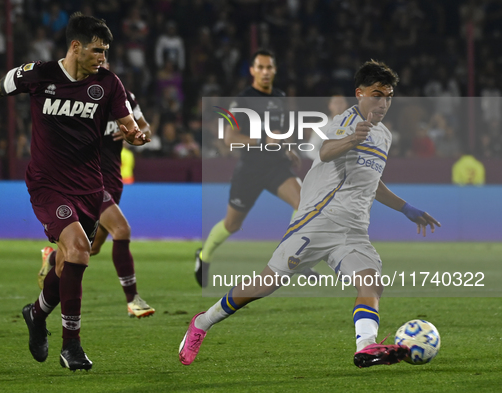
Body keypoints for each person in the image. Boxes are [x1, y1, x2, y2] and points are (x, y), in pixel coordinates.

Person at [179, 60, 441, 368]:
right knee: (264, 285)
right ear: (360, 94)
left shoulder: (384, 135)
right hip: (318, 220)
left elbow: (372, 181)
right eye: (377, 94)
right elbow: (326, 151)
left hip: (354, 230)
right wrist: (353, 138)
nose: (383, 102)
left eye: (389, 95)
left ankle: (366, 347)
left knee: (371, 283)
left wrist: (406, 208)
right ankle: (202, 322)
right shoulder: (344, 121)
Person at [0, 13, 149, 371]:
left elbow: (131, 125)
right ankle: (72, 345)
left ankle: (36, 313)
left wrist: (136, 135)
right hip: (48, 184)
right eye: (97, 51)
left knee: (66, 260)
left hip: (89, 187)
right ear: (75, 47)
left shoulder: (109, 84)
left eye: (105, 51)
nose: (102, 57)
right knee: (80, 251)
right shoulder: (39, 74)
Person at [195, 49, 311, 288]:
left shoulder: (279, 96)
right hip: (250, 169)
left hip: (276, 166)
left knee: (304, 203)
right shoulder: (243, 100)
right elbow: (230, 138)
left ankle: (291, 257)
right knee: (232, 225)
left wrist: (288, 147)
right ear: (252, 71)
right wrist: (262, 141)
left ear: (275, 70)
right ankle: (203, 256)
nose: (265, 72)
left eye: (269, 67)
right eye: (261, 67)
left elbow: (279, 133)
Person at [39, 82, 155, 319]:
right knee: (121, 229)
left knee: (92, 247)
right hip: (88, 181)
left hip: (113, 180)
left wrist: (135, 135)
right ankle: (133, 300)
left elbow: (146, 130)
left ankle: (50, 258)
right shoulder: (79, 98)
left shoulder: (125, 98)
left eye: (105, 57)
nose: (101, 62)